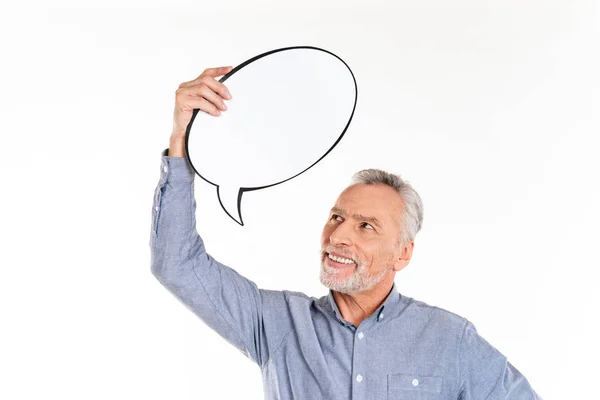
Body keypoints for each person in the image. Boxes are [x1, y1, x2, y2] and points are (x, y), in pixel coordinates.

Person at [150, 66, 541, 399]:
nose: (338, 236)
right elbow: (177, 264)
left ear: (402, 253)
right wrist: (181, 141)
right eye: (336, 218)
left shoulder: (448, 339)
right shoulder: (277, 323)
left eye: (366, 226)